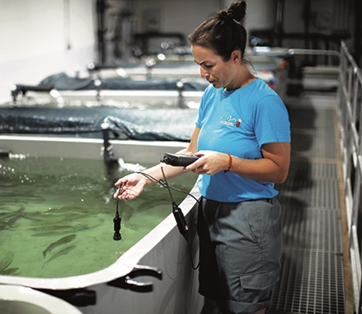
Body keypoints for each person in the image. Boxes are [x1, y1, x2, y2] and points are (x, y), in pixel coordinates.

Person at [113, 1, 291, 313]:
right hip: (211, 213)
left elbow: (279, 170)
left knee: (245, 305)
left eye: (208, 65)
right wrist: (145, 177)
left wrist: (229, 162)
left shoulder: (265, 102)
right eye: (199, 64)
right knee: (215, 300)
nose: (202, 73)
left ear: (234, 57)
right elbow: (189, 154)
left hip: (248, 218)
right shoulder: (213, 94)